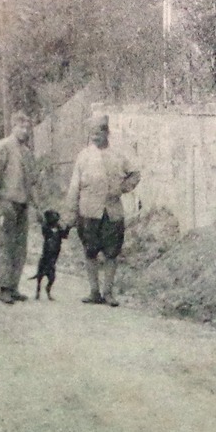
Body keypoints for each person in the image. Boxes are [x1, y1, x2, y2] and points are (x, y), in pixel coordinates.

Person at [63, 112, 140, 307]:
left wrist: (122, 188)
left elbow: (135, 174)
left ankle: (108, 293)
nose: (95, 138)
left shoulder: (118, 154)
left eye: (98, 133)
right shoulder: (84, 156)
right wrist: (70, 213)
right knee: (90, 250)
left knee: (112, 252)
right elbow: (74, 187)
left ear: (107, 133)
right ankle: (94, 291)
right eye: (92, 134)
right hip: (88, 211)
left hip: (112, 211)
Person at [0, 112, 37, 305]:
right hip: (6, 203)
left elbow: (32, 183)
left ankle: (14, 287)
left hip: (23, 205)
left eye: (27, 127)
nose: (24, 131)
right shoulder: (2, 147)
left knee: (19, 247)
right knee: (4, 245)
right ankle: (4, 288)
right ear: (13, 127)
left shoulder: (28, 153)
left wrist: (37, 207)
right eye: (20, 127)